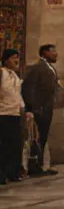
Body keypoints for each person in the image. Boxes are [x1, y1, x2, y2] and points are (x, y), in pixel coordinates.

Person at [20, 43, 62, 176]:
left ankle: (41, 165)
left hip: (47, 108)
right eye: (52, 51)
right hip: (39, 109)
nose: (56, 54)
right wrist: (32, 107)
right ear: (44, 53)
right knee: (35, 138)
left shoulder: (50, 68)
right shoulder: (38, 68)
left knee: (43, 137)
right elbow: (29, 88)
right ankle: (34, 167)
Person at [0, 49, 24, 183]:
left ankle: (12, 172)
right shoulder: (1, 73)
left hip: (14, 114)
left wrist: (24, 110)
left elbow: (17, 95)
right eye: (14, 58)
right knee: (3, 145)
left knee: (14, 145)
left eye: (18, 58)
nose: (16, 61)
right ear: (6, 59)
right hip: (2, 113)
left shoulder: (15, 76)